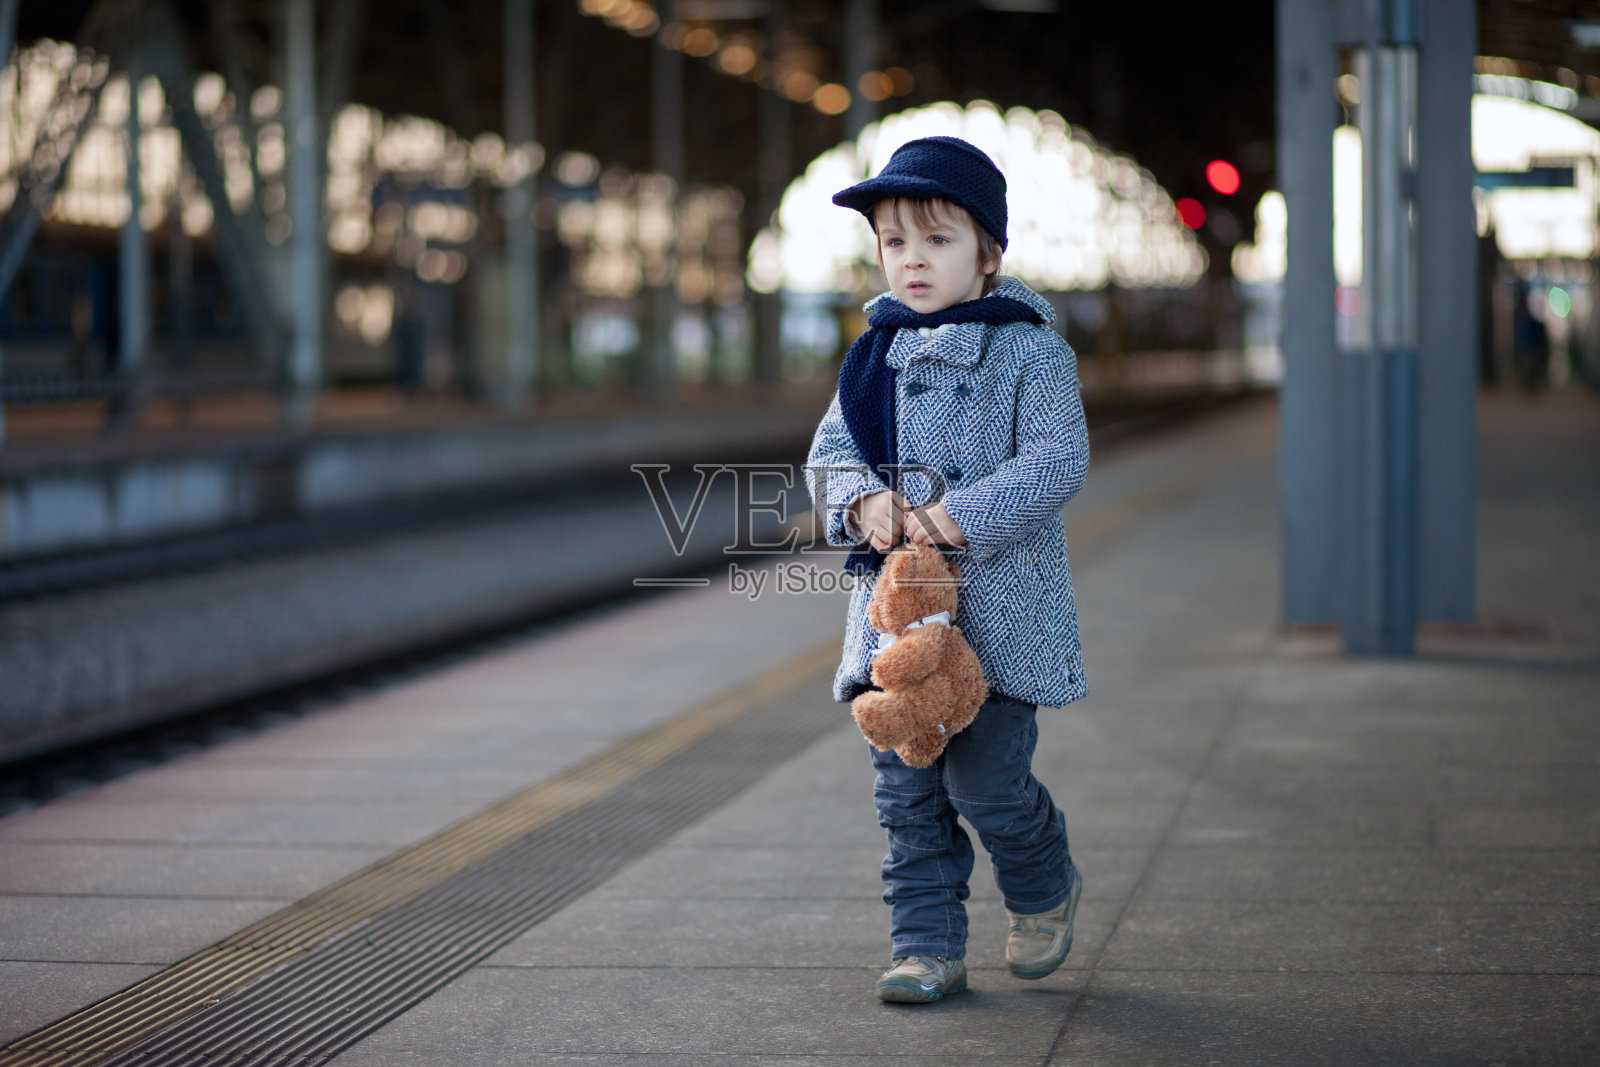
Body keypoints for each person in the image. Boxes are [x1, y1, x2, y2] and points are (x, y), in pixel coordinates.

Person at [804, 136, 1090, 1004]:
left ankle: (1043, 883)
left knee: (986, 780)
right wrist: (860, 503)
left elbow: (1056, 459)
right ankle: (926, 946)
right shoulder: (873, 354)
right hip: (897, 627)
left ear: (988, 252)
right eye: (896, 242)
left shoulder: (1030, 350)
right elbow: (827, 454)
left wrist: (955, 516)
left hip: (997, 620)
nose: (913, 260)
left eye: (937, 239)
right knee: (908, 793)